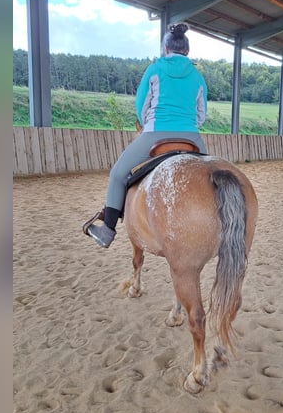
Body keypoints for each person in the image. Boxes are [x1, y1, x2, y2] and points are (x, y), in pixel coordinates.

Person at [85, 23, 208, 248]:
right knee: (212, 176)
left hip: (155, 134)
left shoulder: (154, 69)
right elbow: (202, 114)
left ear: (165, 49)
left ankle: (108, 230)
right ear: (187, 51)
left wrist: (147, 123)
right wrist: (188, 124)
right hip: (192, 137)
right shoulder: (198, 76)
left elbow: (141, 106)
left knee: (118, 174)